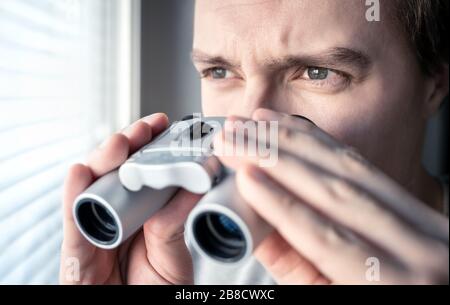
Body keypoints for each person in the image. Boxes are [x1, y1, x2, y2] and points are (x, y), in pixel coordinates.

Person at [60, 0, 449, 284]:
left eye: (317, 73)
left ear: (434, 83)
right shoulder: (180, 248)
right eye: (219, 70)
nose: (246, 126)